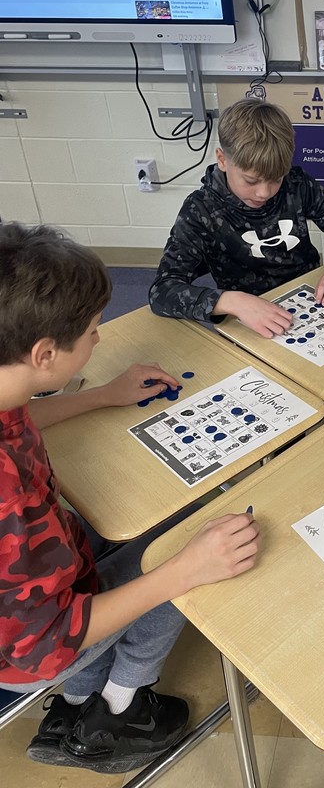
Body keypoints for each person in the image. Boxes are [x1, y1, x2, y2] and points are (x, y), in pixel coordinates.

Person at [0, 223, 261, 773]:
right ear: (45, 354)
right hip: (27, 652)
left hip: (46, 587)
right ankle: (119, 713)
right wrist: (185, 570)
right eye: (94, 330)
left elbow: (19, 416)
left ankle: (74, 706)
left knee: (143, 527)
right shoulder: (7, 502)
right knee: (179, 551)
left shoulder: (9, 386)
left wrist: (103, 395)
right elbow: (42, 643)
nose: (100, 338)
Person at [149, 99, 324, 338]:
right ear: (223, 160)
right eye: (251, 180)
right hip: (246, 318)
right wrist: (231, 302)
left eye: (277, 178)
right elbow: (162, 291)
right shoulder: (201, 209)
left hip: (310, 300)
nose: (264, 192)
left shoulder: (297, 185)